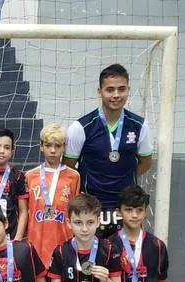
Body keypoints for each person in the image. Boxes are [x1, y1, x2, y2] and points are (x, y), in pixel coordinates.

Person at [64, 64, 152, 238]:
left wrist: (123, 178)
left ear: (128, 89)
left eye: (121, 89)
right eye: (110, 90)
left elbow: (145, 162)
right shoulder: (81, 127)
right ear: (100, 91)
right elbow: (69, 167)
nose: (116, 95)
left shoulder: (140, 125)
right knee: (91, 260)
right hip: (91, 206)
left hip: (126, 206)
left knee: (125, 259)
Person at [25, 124, 80, 268]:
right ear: (41, 146)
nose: (53, 150)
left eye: (58, 146)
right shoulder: (30, 176)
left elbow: (76, 212)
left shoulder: (73, 176)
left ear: (64, 147)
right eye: (48, 145)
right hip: (36, 241)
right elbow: (24, 212)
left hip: (63, 240)